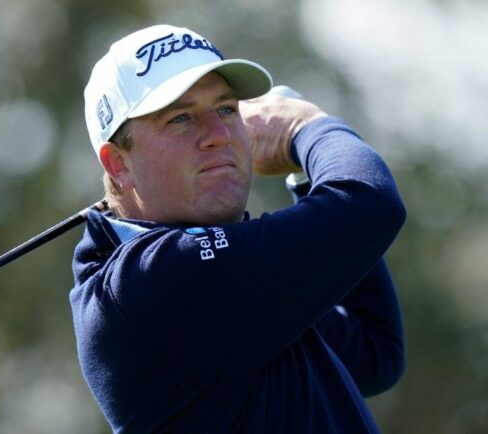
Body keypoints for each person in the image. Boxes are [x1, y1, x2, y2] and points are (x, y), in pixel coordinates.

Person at [69, 24, 406, 433]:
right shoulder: (148, 284)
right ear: (118, 164)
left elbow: (373, 353)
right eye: (181, 118)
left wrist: (303, 177)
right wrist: (306, 128)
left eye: (227, 109)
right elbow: (370, 202)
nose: (219, 135)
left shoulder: (224, 287)